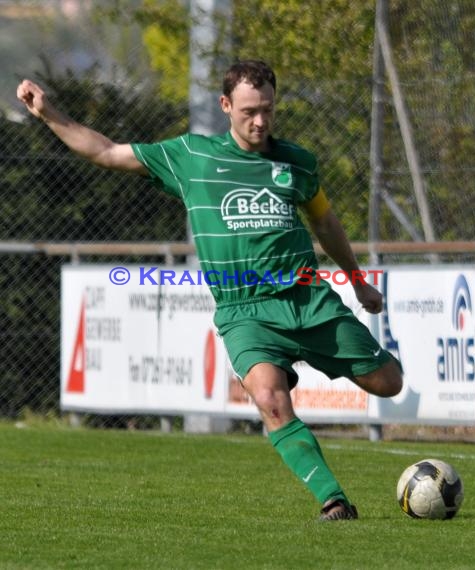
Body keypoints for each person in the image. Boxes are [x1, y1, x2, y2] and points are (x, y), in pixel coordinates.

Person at [17, 60, 402, 521]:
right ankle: (333, 499)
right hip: (245, 312)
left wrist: (357, 279)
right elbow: (106, 152)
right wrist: (48, 114)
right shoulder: (191, 157)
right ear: (225, 106)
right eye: (248, 111)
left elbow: (324, 220)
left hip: (308, 298)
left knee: (388, 382)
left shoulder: (297, 162)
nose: (259, 121)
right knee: (269, 400)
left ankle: (297, 362)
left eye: (267, 110)